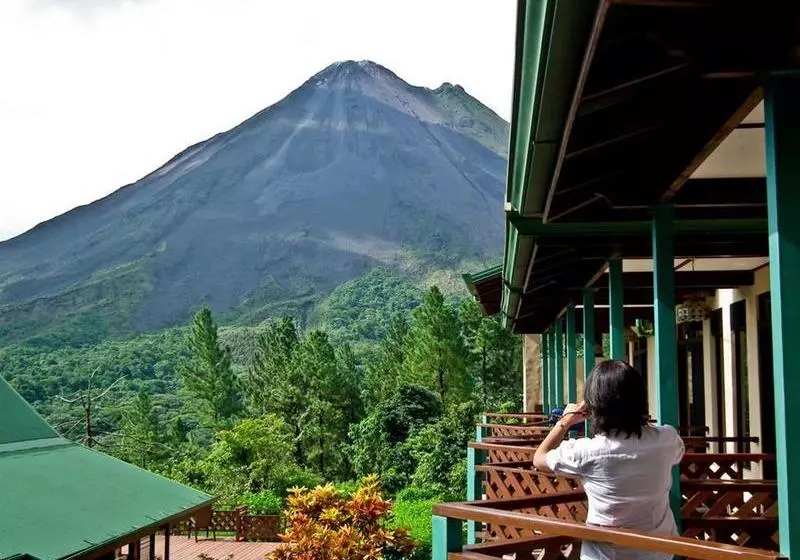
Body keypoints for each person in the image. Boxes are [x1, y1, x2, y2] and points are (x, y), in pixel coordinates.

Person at [532, 360, 684, 560]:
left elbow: (539, 458)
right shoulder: (666, 439)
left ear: (594, 405)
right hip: (659, 554)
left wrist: (566, 421)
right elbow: (676, 453)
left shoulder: (586, 451)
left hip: (604, 556)